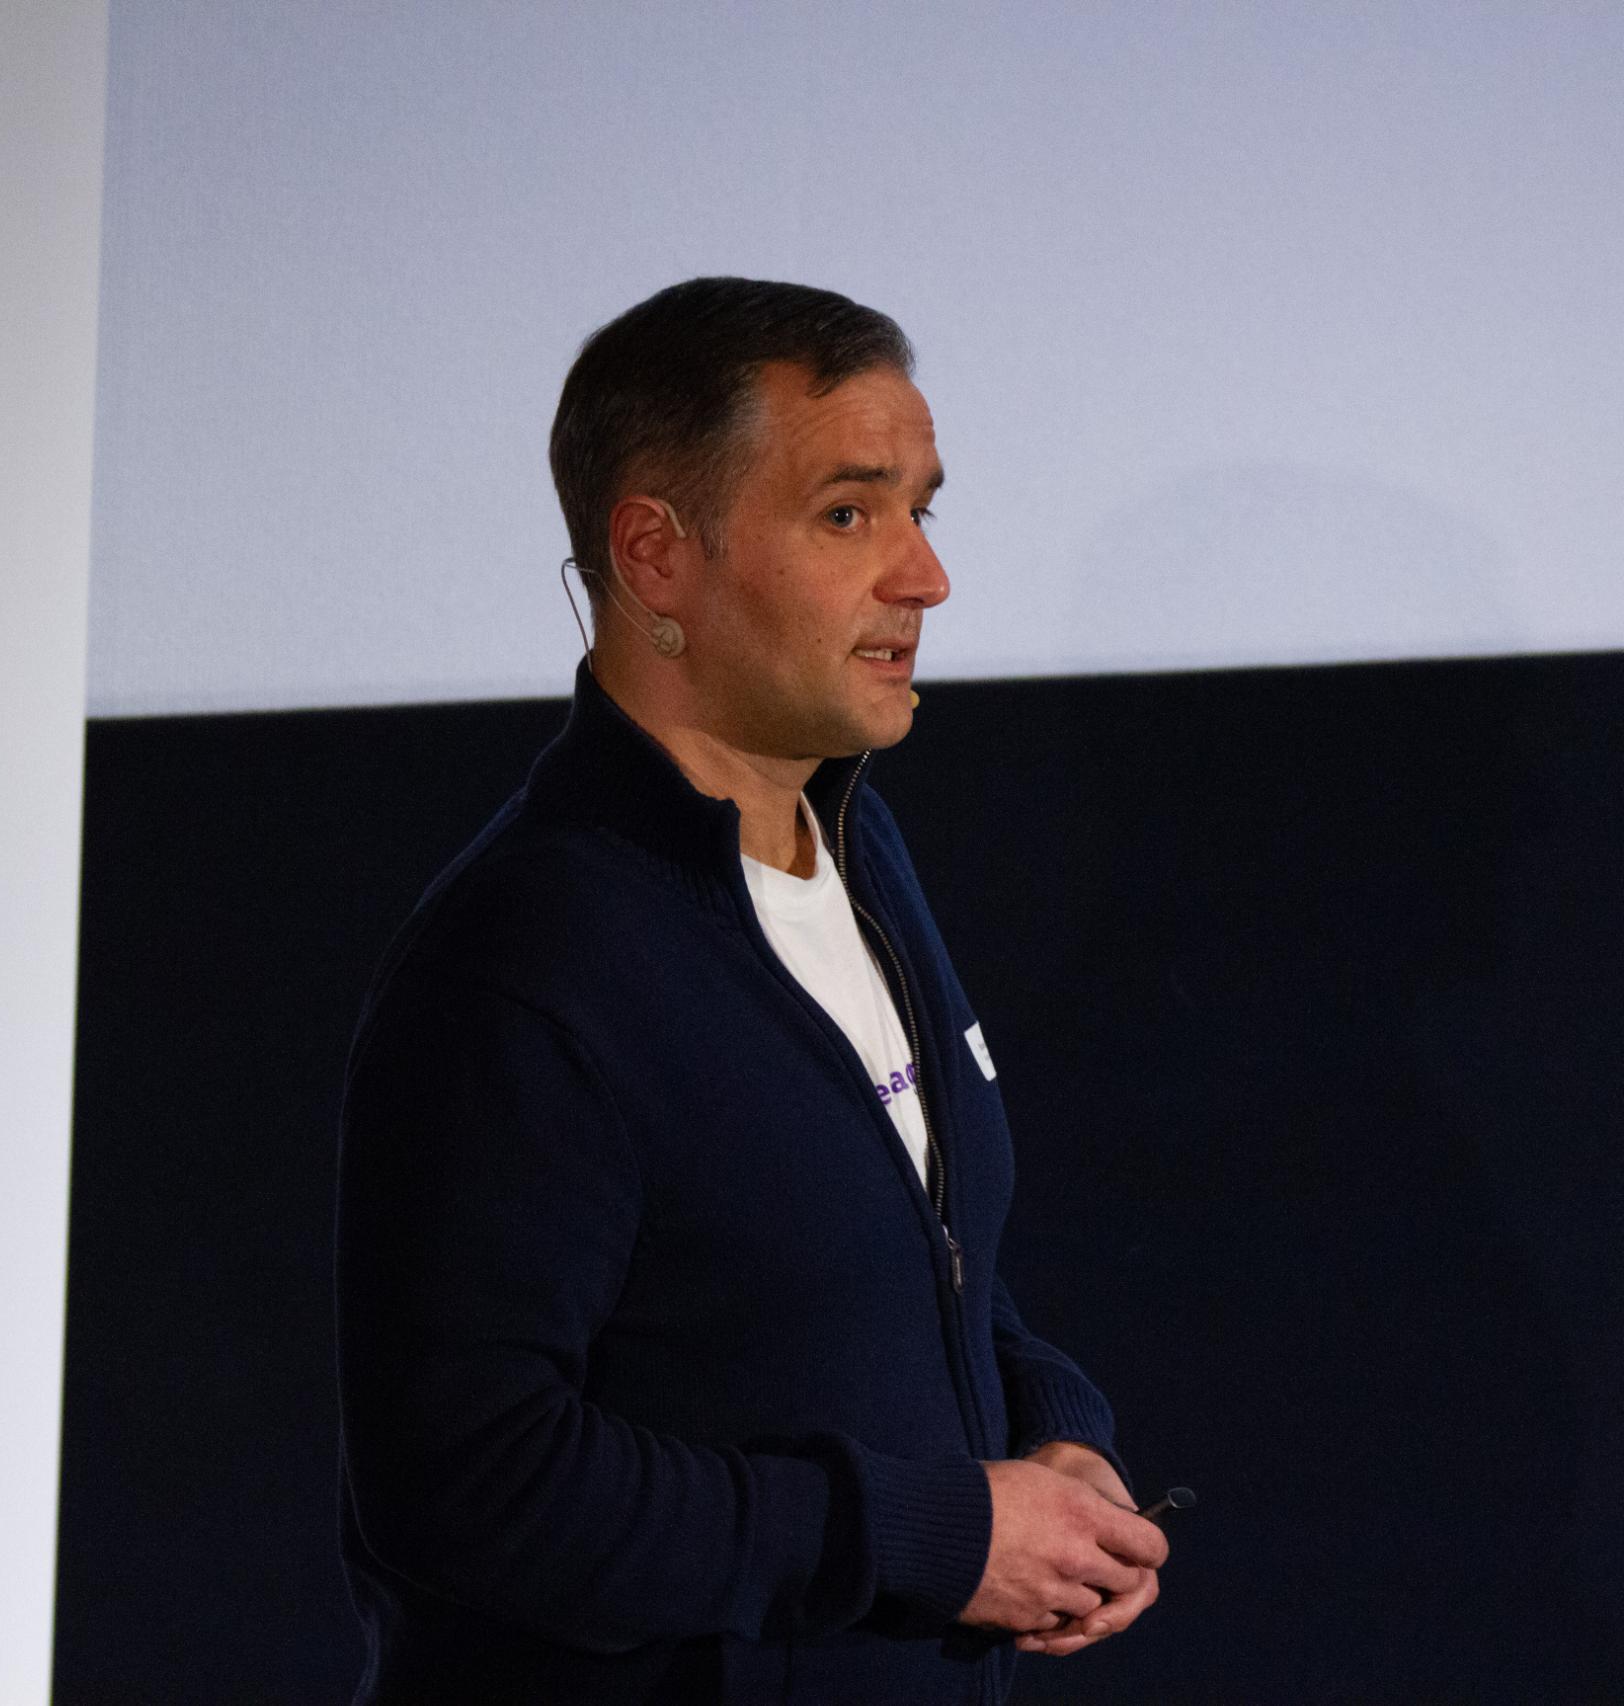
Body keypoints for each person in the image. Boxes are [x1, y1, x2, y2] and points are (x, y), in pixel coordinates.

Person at [335, 277, 1167, 1704]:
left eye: (922, 510)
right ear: (656, 557)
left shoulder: (859, 848)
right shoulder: (528, 959)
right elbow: (473, 1482)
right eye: (848, 515)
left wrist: (1051, 1431)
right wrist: (929, 1534)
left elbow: (893, 1262)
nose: (925, 577)